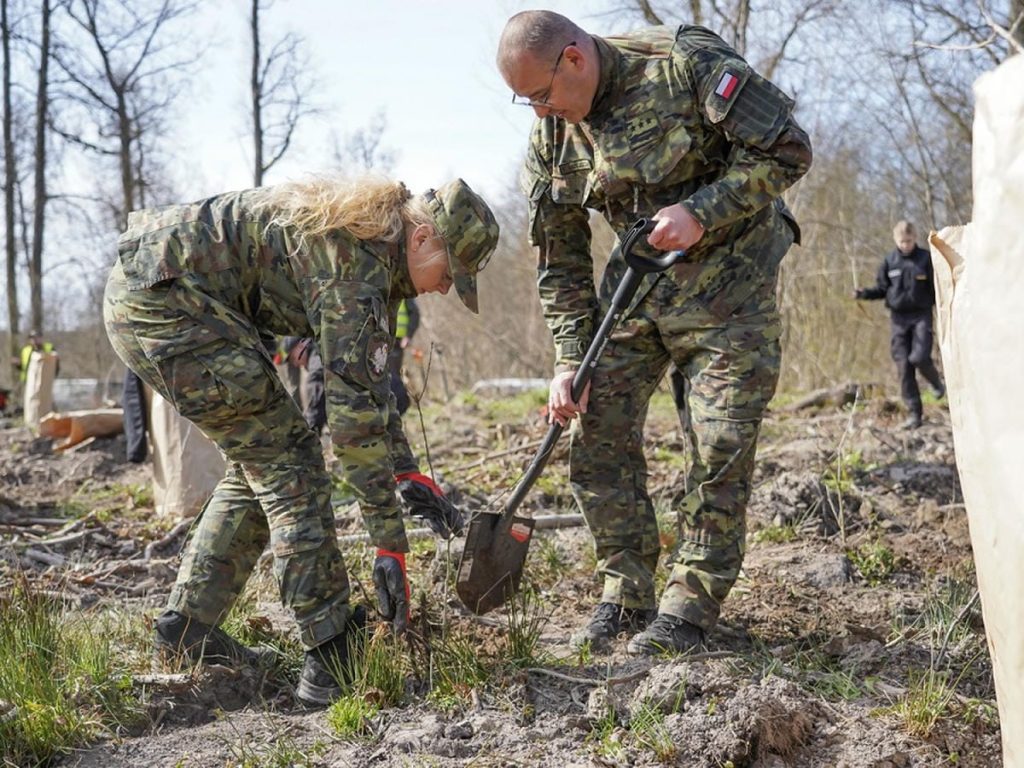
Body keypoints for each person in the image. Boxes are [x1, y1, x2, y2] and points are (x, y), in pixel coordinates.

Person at [103, 175, 499, 706]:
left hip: (164, 296)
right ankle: (330, 653)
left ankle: (187, 629)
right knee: (290, 462)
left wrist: (405, 472)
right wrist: (389, 545)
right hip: (163, 304)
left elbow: (369, 387)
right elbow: (351, 424)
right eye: (450, 274)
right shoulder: (353, 266)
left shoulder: (376, 252)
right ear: (424, 239)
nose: (445, 288)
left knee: (263, 460)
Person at [497, 11, 812, 655]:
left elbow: (788, 149)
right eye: (523, 101)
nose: (537, 112)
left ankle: (690, 606)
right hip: (639, 281)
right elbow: (558, 258)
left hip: (733, 279)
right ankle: (625, 592)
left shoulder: (683, 62)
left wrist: (702, 212)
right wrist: (567, 358)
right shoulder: (555, 135)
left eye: (541, 95)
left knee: (719, 441)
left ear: (575, 60)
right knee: (597, 424)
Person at [855, 220, 945, 429]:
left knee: (919, 357)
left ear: (915, 238)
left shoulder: (925, 259)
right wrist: (864, 294)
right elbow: (882, 288)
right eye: (902, 241)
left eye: (909, 241)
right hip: (898, 319)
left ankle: (936, 383)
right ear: (896, 240)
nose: (906, 245)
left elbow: (937, 288)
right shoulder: (889, 261)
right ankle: (915, 414)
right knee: (904, 365)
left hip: (921, 315)